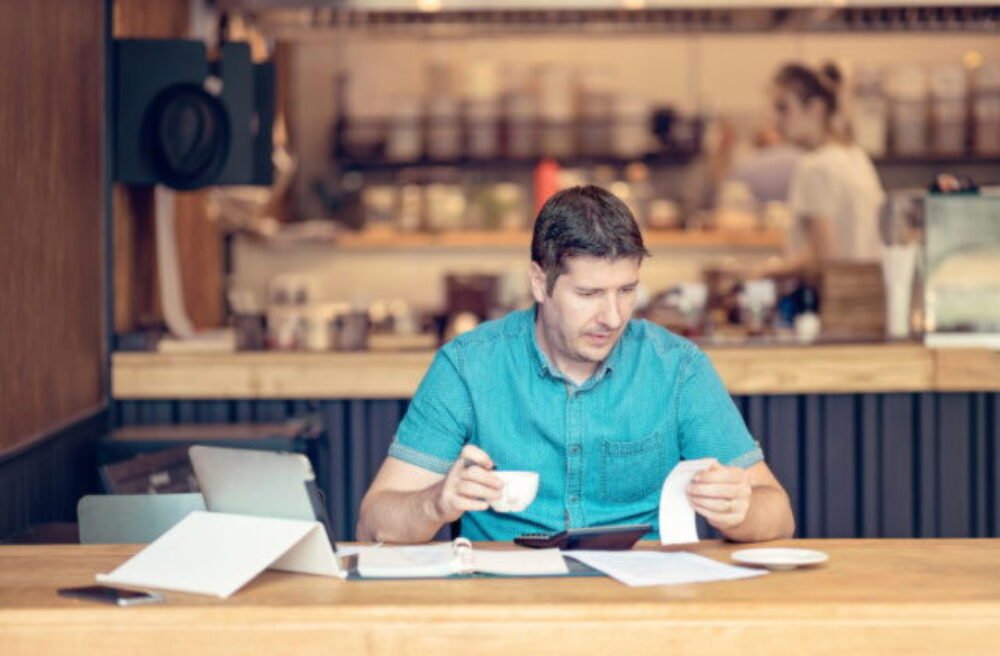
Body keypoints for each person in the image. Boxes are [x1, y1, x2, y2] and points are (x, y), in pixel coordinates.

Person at [357, 185, 795, 544]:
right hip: (506, 610)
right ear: (539, 283)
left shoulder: (677, 367)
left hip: (642, 608)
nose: (613, 316)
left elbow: (778, 514)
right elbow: (374, 522)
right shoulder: (469, 366)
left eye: (626, 291)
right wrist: (437, 502)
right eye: (588, 295)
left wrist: (741, 511)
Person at [772, 62, 885, 265]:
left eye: (783, 108)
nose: (776, 120)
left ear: (815, 108)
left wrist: (766, 271)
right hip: (867, 291)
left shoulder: (814, 167)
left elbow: (825, 258)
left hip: (831, 294)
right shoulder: (856, 156)